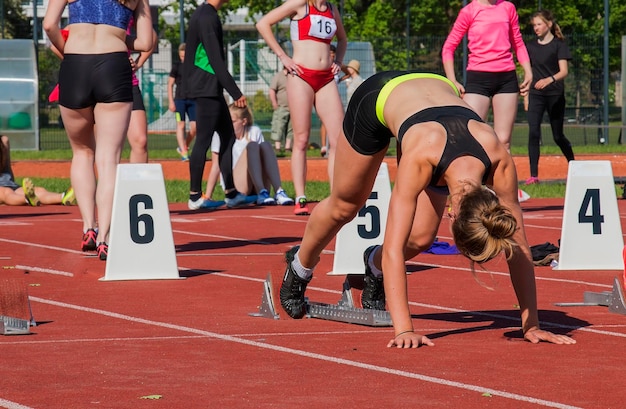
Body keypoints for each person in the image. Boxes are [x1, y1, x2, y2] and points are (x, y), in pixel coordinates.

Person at [278, 71, 576, 349]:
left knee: (421, 238)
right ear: (452, 214)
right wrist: (404, 329)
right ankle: (299, 267)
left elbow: (519, 246)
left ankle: (372, 265)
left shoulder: (498, 159)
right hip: (380, 96)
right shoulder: (422, 157)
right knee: (346, 205)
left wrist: (531, 324)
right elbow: (394, 246)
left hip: (435, 96)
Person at [43, 0, 153, 261]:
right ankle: (105, 237)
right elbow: (146, 43)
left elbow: (49, 25)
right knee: (109, 159)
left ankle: (87, 227)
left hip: (75, 63)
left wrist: (67, 47)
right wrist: (119, 38)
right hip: (114, 63)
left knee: (82, 152)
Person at [256, 0, 347, 215]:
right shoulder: (299, 4)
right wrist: (283, 56)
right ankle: (300, 196)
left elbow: (342, 39)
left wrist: (339, 60)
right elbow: (263, 24)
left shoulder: (332, 9)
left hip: (325, 78)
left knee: (338, 139)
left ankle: (336, 194)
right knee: (302, 138)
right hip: (301, 76)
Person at [183, 0, 248, 211]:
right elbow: (215, 59)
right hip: (206, 87)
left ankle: (231, 193)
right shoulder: (206, 16)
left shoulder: (206, 14)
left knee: (228, 137)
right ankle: (195, 196)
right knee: (203, 139)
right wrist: (235, 91)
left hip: (211, 87)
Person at [442, 0, 532, 151]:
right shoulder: (469, 11)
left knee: (504, 141)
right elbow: (448, 47)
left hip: (506, 79)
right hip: (478, 79)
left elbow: (518, 41)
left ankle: (501, 175)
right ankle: (475, 175)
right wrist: (452, 80)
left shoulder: (507, 7)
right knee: (471, 136)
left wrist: (528, 71)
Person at [205, 105, 294, 206]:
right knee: (252, 145)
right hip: (238, 187)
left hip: (259, 183)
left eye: (232, 122)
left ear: (244, 121)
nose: (228, 125)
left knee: (266, 145)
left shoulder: (254, 131)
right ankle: (261, 192)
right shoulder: (219, 135)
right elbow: (216, 166)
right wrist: (208, 196)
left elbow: (264, 158)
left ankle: (279, 191)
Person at [524, 9, 575, 185]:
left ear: (549, 24)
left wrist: (549, 79)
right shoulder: (530, 46)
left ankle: (573, 167)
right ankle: (533, 176)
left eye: (539, 24)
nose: (536, 28)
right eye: (534, 25)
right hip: (536, 94)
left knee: (558, 135)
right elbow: (527, 72)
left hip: (555, 95)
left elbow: (564, 71)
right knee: (533, 132)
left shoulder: (559, 45)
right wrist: (525, 95)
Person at [0, 135, 75, 206]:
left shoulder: (3, 141)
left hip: (8, 184)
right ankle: (27, 199)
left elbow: (7, 169)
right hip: (3, 189)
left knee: (39, 190)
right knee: (6, 193)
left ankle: (63, 197)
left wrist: (12, 184)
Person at [126, 19, 158, 164]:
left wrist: (137, 63)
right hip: (98, 84)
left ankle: (136, 186)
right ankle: (98, 186)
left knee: (140, 141)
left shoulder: (125, 6)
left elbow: (151, 37)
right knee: (103, 145)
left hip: (127, 83)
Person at [168, 43, 197, 162]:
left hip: (193, 99)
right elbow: (170, 84)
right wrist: (171, 101)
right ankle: (184, 152)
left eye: (185, 56)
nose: (183, 58)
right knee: (181, 124)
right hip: (179, 100)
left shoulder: (195, 66)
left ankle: (183, 146)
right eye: (181, 56)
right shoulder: (176, 67)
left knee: (195, 127)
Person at [319, 44, 341, 158]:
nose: (331, 56)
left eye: (333, 54)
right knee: (324, 122)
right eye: (330, 53)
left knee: (336, 123)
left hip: (335, 98)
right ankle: (323, 146)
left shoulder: (336, 67)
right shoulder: (323, 65)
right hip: (325, 97)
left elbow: (347, 71)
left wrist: (341, 78)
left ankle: (335, 147)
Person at [269, 66, 293, 153]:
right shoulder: (278, 76)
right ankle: (277, 147)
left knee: (291, 128)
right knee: (279, 126)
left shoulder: (294, 76)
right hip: (281, 107)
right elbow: (272, 90)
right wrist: (274, 102)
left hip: (293, 107)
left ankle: (287, 147)